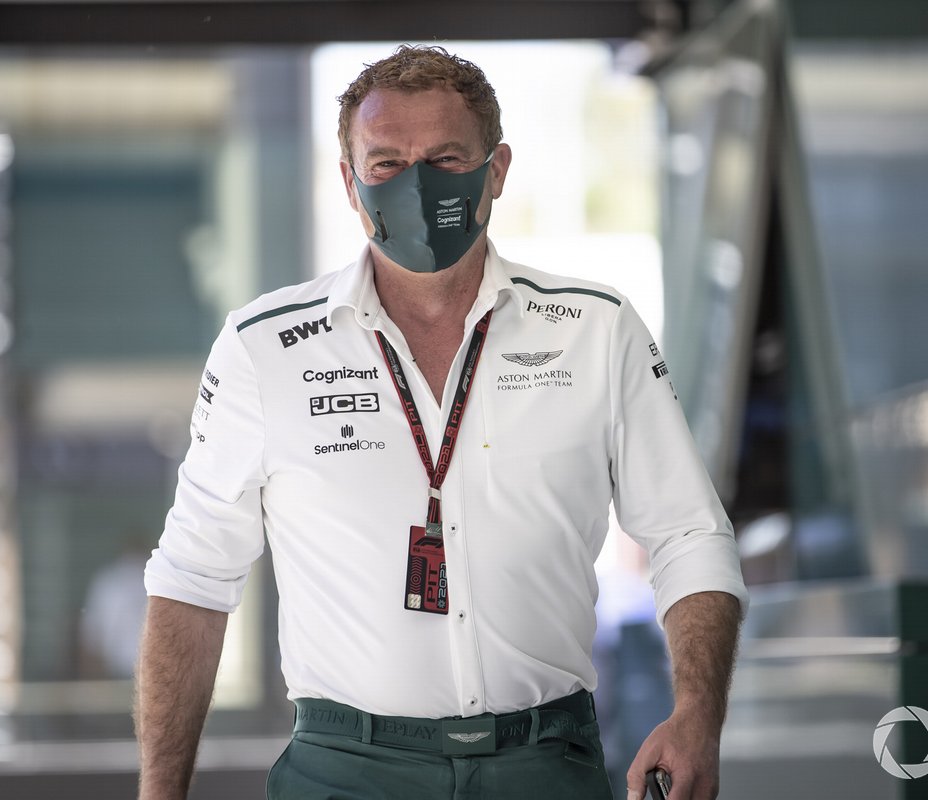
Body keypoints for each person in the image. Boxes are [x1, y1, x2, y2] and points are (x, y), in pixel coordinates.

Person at [136, 45, 747, 800]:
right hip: (346, 768)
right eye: (386, 162)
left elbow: (688, 533)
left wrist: (698, 715)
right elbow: (194, 578)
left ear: (496, 171)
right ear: (350, 182)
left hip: (544, 762)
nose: (417, 186)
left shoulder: (596, 328)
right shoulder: (266, 347)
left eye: (446, 158)